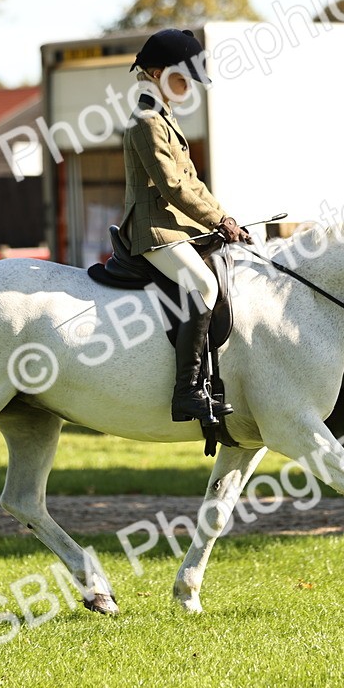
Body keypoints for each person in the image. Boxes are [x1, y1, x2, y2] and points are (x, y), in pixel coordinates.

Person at [120, 28, 252, 424]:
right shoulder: (146, 121)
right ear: (158, 74)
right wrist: (216, 220)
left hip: (176, 227)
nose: (188, 87)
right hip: (154, 230)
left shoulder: (164, 118)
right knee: (205, 285)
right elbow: (172, 187)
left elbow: (192, 181)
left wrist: (226, 218)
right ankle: (187, 392)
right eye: (182, 78)